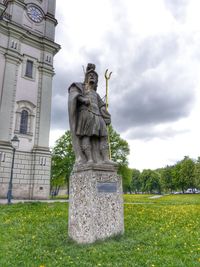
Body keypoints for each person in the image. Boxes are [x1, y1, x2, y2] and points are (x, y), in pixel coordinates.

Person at [68, 63, 112, 165]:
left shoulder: (96, 94)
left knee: (104, 136)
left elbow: (101, 105)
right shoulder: (81, 88)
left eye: (94, 76)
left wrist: (104, 110)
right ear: (86, 77)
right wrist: (83, 99)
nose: (92, 77)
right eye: (90, 75)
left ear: (96, 80)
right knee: (86, 136)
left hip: (98, 116)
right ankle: (89, 159)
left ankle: (105, 158)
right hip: (86, 114)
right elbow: (74, 94)